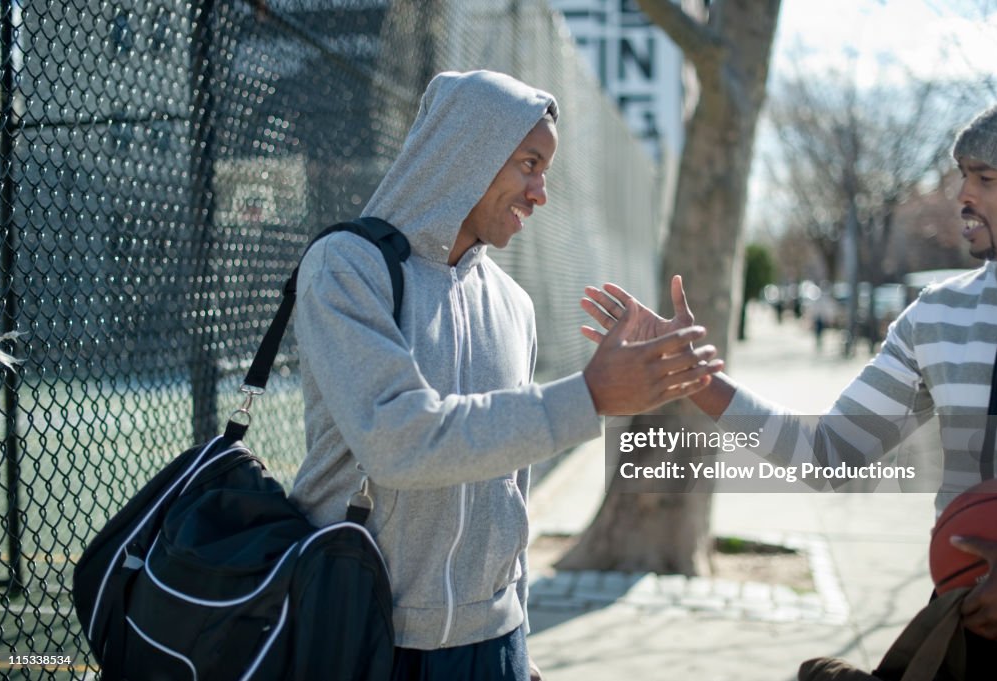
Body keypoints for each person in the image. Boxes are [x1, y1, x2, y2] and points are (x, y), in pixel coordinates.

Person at [289, 70, 722, 681]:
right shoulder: (347, 266)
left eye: (544, 169)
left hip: (491, 644)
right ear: (469, 149)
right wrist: (591, 396)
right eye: (528, 163)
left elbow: (507, 492)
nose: (541, 191)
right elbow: (398, 442)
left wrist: (517, 641)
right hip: (356, 633)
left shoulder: (514, 305)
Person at [581, 97, 997, 677]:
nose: (964, 195)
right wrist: (696, 379)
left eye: (985, 179)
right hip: (962, 631)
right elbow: (829, 454)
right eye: (963, 177)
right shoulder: (939, 315)